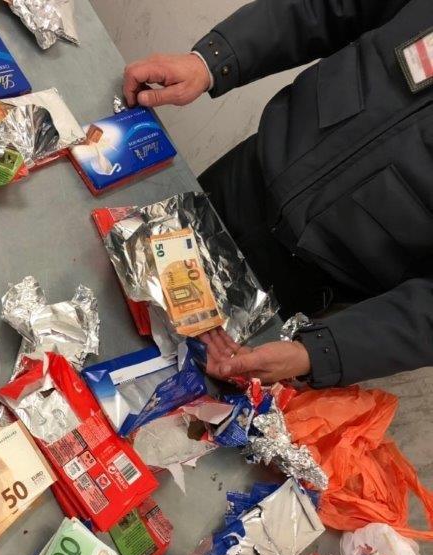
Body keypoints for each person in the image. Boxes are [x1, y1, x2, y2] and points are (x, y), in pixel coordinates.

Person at [123, 0, 433, 387]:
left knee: (158, 380)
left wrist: (318, 352)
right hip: (247, 174)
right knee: (120, 273)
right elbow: (329, 8)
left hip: (310, 276)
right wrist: (212, 60)